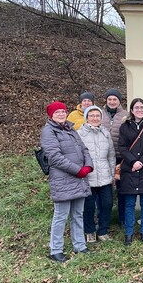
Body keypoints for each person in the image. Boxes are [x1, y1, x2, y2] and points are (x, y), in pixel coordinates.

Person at [40, 101, 93, 262]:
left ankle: (80, 245)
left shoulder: (70, 128)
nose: (61, 114)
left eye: (63, 111)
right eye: (57, 112)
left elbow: (84, 149)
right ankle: (55, 249)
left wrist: (88, 165)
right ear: (51, 115)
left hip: (79, 179)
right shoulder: (49, 131)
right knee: (61, 216)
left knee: (78, 214)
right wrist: (77, 170)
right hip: (63, 180)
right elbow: (54, 157)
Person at [118, 98, 143, 245]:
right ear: (131, 110)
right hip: (129, 170)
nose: (139, 110)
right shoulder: (124, 127)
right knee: (129, 203)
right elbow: (121, 147)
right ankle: (128, 233)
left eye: (142, 107)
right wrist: (133, 161)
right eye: (137, 107)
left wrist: (142, 162)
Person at [78, 105, 115, 242]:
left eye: (97, 116)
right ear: (87, 118)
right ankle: (90, 231)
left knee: (107, 204)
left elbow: (111, 155)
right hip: (88, 177)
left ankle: (103, 230)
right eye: (92, 116)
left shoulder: (105, 133)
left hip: (105, 176)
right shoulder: (80, 134)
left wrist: (112, 174)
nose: (95, 118)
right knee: (88, 206)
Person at [101, 88, 129, 228]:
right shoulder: (99, 114)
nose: (112, 102)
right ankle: (103, 218)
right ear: (106, 100)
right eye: (110, 99)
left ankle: (122, 218)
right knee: (104, 189)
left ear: (119, 101)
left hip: (120, 157)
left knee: (121, 188)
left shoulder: (125, 115)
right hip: (103, 158)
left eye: (115, 99)